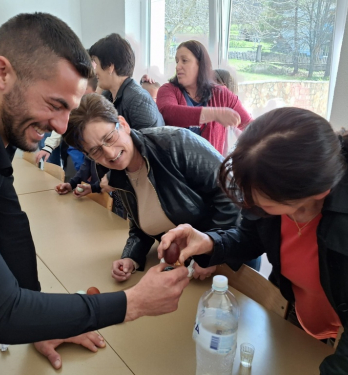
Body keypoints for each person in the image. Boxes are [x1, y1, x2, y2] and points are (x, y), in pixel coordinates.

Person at [0, 12, 189, 370]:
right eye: (55, 105)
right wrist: (133, 303)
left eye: (71, 109)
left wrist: (43, 322)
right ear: (2, 73)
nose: (62, 126)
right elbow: (0, 313)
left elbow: (10, 224)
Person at [158, 107, 348, 374]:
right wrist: (210, 242)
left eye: (265, 205)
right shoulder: (270, 181)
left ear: (316, 194)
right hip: (298, 322)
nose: (253, 207)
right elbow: (251, 237)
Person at [63, 94, 240, 281]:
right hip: (189, 268)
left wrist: (210, 253)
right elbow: (143, 222)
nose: (109, 153)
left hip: (228, 261)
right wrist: (131, 257)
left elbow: (232, 194)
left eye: (109, 137)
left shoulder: (175, 143)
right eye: (95, 150)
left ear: (123, 124)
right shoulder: (116, 172)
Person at [56, 34, 165, 215]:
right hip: (122, 193)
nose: (94, 70)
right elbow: (94, 151)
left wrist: (107, 181)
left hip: (144, 198)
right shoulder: (107, 98)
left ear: (110, 66)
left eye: (95, 63)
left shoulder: (137, 100)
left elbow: (151, 153)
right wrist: (77, 182)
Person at [156, 40, 252, 155]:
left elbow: (250, 126)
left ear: (200, 64)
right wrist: (215, 114)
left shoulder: (222, 94)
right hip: (174, 170)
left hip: (211, 171)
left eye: (184, 61)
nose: (178, 66)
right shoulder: (168, 89)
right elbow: (168, 113)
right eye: (177, 61)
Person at [34, 71, 99, 169]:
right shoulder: (76, 102)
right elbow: (63, 123)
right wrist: (49, 147)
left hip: (90, 157)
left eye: (84, 89)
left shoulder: (98, 107)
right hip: (74, 152)